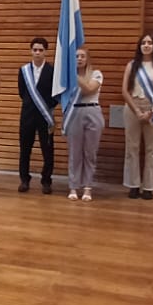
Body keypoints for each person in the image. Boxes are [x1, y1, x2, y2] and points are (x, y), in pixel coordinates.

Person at [122, 33, 153, 200]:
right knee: (132, 148)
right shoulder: (132, 65)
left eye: (150, 43)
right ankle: (133, 185)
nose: (146, 45)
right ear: (140, 46)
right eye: (143, 43)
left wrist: (151, 111)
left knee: (152, 149)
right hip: (132, 107)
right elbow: (124, 91)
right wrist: (136, 111)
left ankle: (149, 187)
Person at [17, 36, 58, 194]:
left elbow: (55, 94)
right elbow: (22, 92)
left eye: (41, 50)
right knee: (25, 149)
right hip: (27, 115)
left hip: (45, 115)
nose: (37, 53)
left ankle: (46, 181)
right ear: (31, 51)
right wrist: (32, 105)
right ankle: (24, 180)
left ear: (45, 52)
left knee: (47, 150)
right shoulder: (24, 71)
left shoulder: (52, 71)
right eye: (35, 50)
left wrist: (46, 107)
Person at [64, 45, 103, 202]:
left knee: (90, 153)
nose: (79, 59)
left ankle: (87, 187)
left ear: (87, 59)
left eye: (82, 56)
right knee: (75, 152)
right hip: (75, 113)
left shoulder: (96, 74)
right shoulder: (67, 77)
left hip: (92, 112)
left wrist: (73, 76)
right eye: (76, 56)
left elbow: (88, 89)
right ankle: (73, 187)